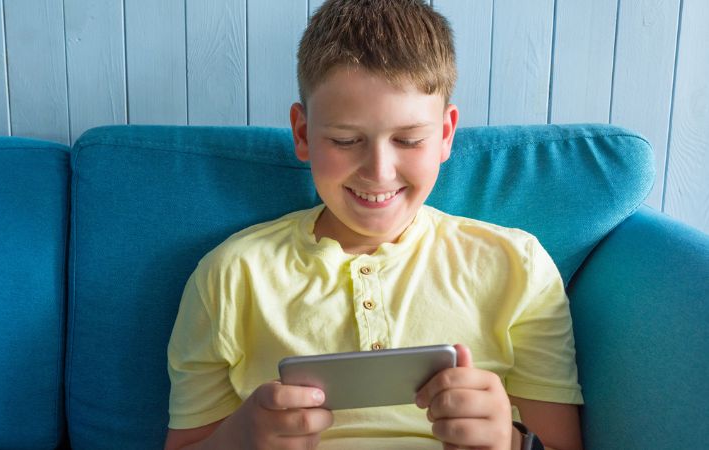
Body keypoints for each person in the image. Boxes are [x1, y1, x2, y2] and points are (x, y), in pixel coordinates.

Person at [164, 1, 584, 449]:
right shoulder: (231, 275)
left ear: (445, 134)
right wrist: (236, 440)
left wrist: (510, 442)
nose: (380, 172)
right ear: (302, 135)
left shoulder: (516, 265)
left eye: (409, 140)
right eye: (346, 140)